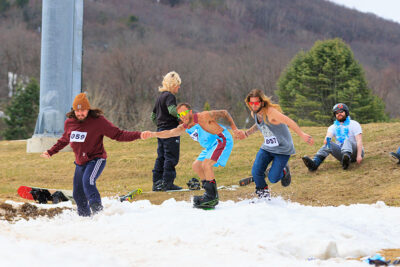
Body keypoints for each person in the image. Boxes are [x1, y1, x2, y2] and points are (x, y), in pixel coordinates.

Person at [41, 93, 146, 217]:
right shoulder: (69, 122)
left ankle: (98, 213)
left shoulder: (98, 121)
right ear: (73, 110)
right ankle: (85, 218)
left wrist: (139, 135)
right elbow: (64, 139)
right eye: (77, 111)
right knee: (78, 194)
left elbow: (118, 134)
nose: (80, 114)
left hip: (96, 159)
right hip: (80, 162)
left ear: (88, 109)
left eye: (83, 111)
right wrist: (51, 151)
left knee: (88, 181)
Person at [142, 103, 242, 209]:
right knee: (196, 166)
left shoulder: (203, 116)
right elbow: (170, 133)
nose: (182, 116)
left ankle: (212, 197)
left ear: (190, 112)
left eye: (184, 113)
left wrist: (235, 129)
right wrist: (152, 134)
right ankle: (209, 193)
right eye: (180, 115)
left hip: (221, 140)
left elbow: (224, 113)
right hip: (210, 146)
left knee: (206, 165)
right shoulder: (185, 127)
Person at [237, 89, 314, 199]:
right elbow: (259, 125)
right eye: (251, 103)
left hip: (282, 149)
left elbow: (289, 121)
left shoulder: (271, 113)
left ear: (262, 102)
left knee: (273, 178)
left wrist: (302, 134)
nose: (254, 105)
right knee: (256, 172)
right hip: (268, 148)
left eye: (256, 103)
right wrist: (246, 133)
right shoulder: (254, 113)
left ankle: (284, 170)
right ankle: (263, 197)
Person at [302, 103, 364, 171]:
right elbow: (327, 139)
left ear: (346, 112)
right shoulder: (333, 127)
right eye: (337, 113)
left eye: (341, 112)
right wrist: (328, 139)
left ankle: (347, 158)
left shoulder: (354, 124)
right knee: (328, 143)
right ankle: (314, 164)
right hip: (341, 154)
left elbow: (359, 140)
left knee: (346, 140)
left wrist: (359, 156)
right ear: (335, 115)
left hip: (355, 152)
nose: (339, 114)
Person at [150, 71, 182, 191]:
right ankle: (168, 183)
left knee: (161, 156)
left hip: (160, 131)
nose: (179, 87)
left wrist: (160, 125)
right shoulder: (170, 96)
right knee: (171, 157)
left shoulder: (159, 98)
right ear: (174, 84)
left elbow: (153, 116)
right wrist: (181, 118)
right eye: (178, 84)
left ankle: (157, 183)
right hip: (171, 131)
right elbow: (172, 110)